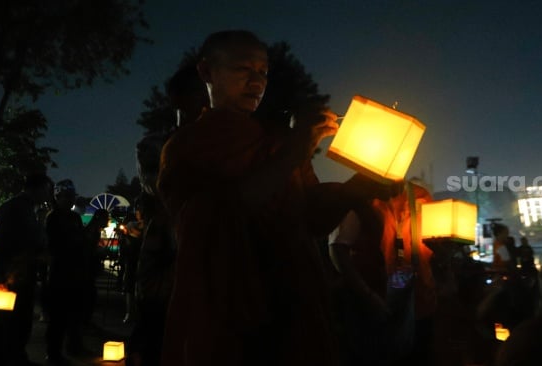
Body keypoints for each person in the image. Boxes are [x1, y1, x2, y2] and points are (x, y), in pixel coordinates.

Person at [157, 30, 393, 366]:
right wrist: (298, 148)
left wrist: (358, 187)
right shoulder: (187, 146)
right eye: (244, 69)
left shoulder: (276, 142)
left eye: (263, 72)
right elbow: (221, 214)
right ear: (207, 72)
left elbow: (310, 220)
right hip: (234, 308)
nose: (257, 82)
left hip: (295, 301)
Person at [127, 59, 207, 366]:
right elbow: (161, 186)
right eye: (202, 93)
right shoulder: (157, 146)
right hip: (169, 266)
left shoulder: (229, 142)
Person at [329, 179, 437, 365]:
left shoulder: (420, 197)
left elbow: (432, 251)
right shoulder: (363, 196)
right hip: (374, 308)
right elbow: (338, 248)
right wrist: (367, 295)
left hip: (420, 304)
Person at [0, 173, 53, 366]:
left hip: (23, 275)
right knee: (3, 322)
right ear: (37, 188)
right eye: (47, 191)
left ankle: (14, 355)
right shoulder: (14, 208)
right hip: (8, 276)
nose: (48, 195)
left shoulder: (30, 210)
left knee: (20, 319)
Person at [44, 179, 91, 363]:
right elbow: (54, 245)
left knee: (75, 312)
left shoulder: (74, 218)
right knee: (58, 317)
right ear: (58, 197)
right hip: (59, 272)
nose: (71, 200)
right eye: (67, 197)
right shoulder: (53, 217)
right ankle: (53, 352)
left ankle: (74, 344)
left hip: (76, 271)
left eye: (72, 196)